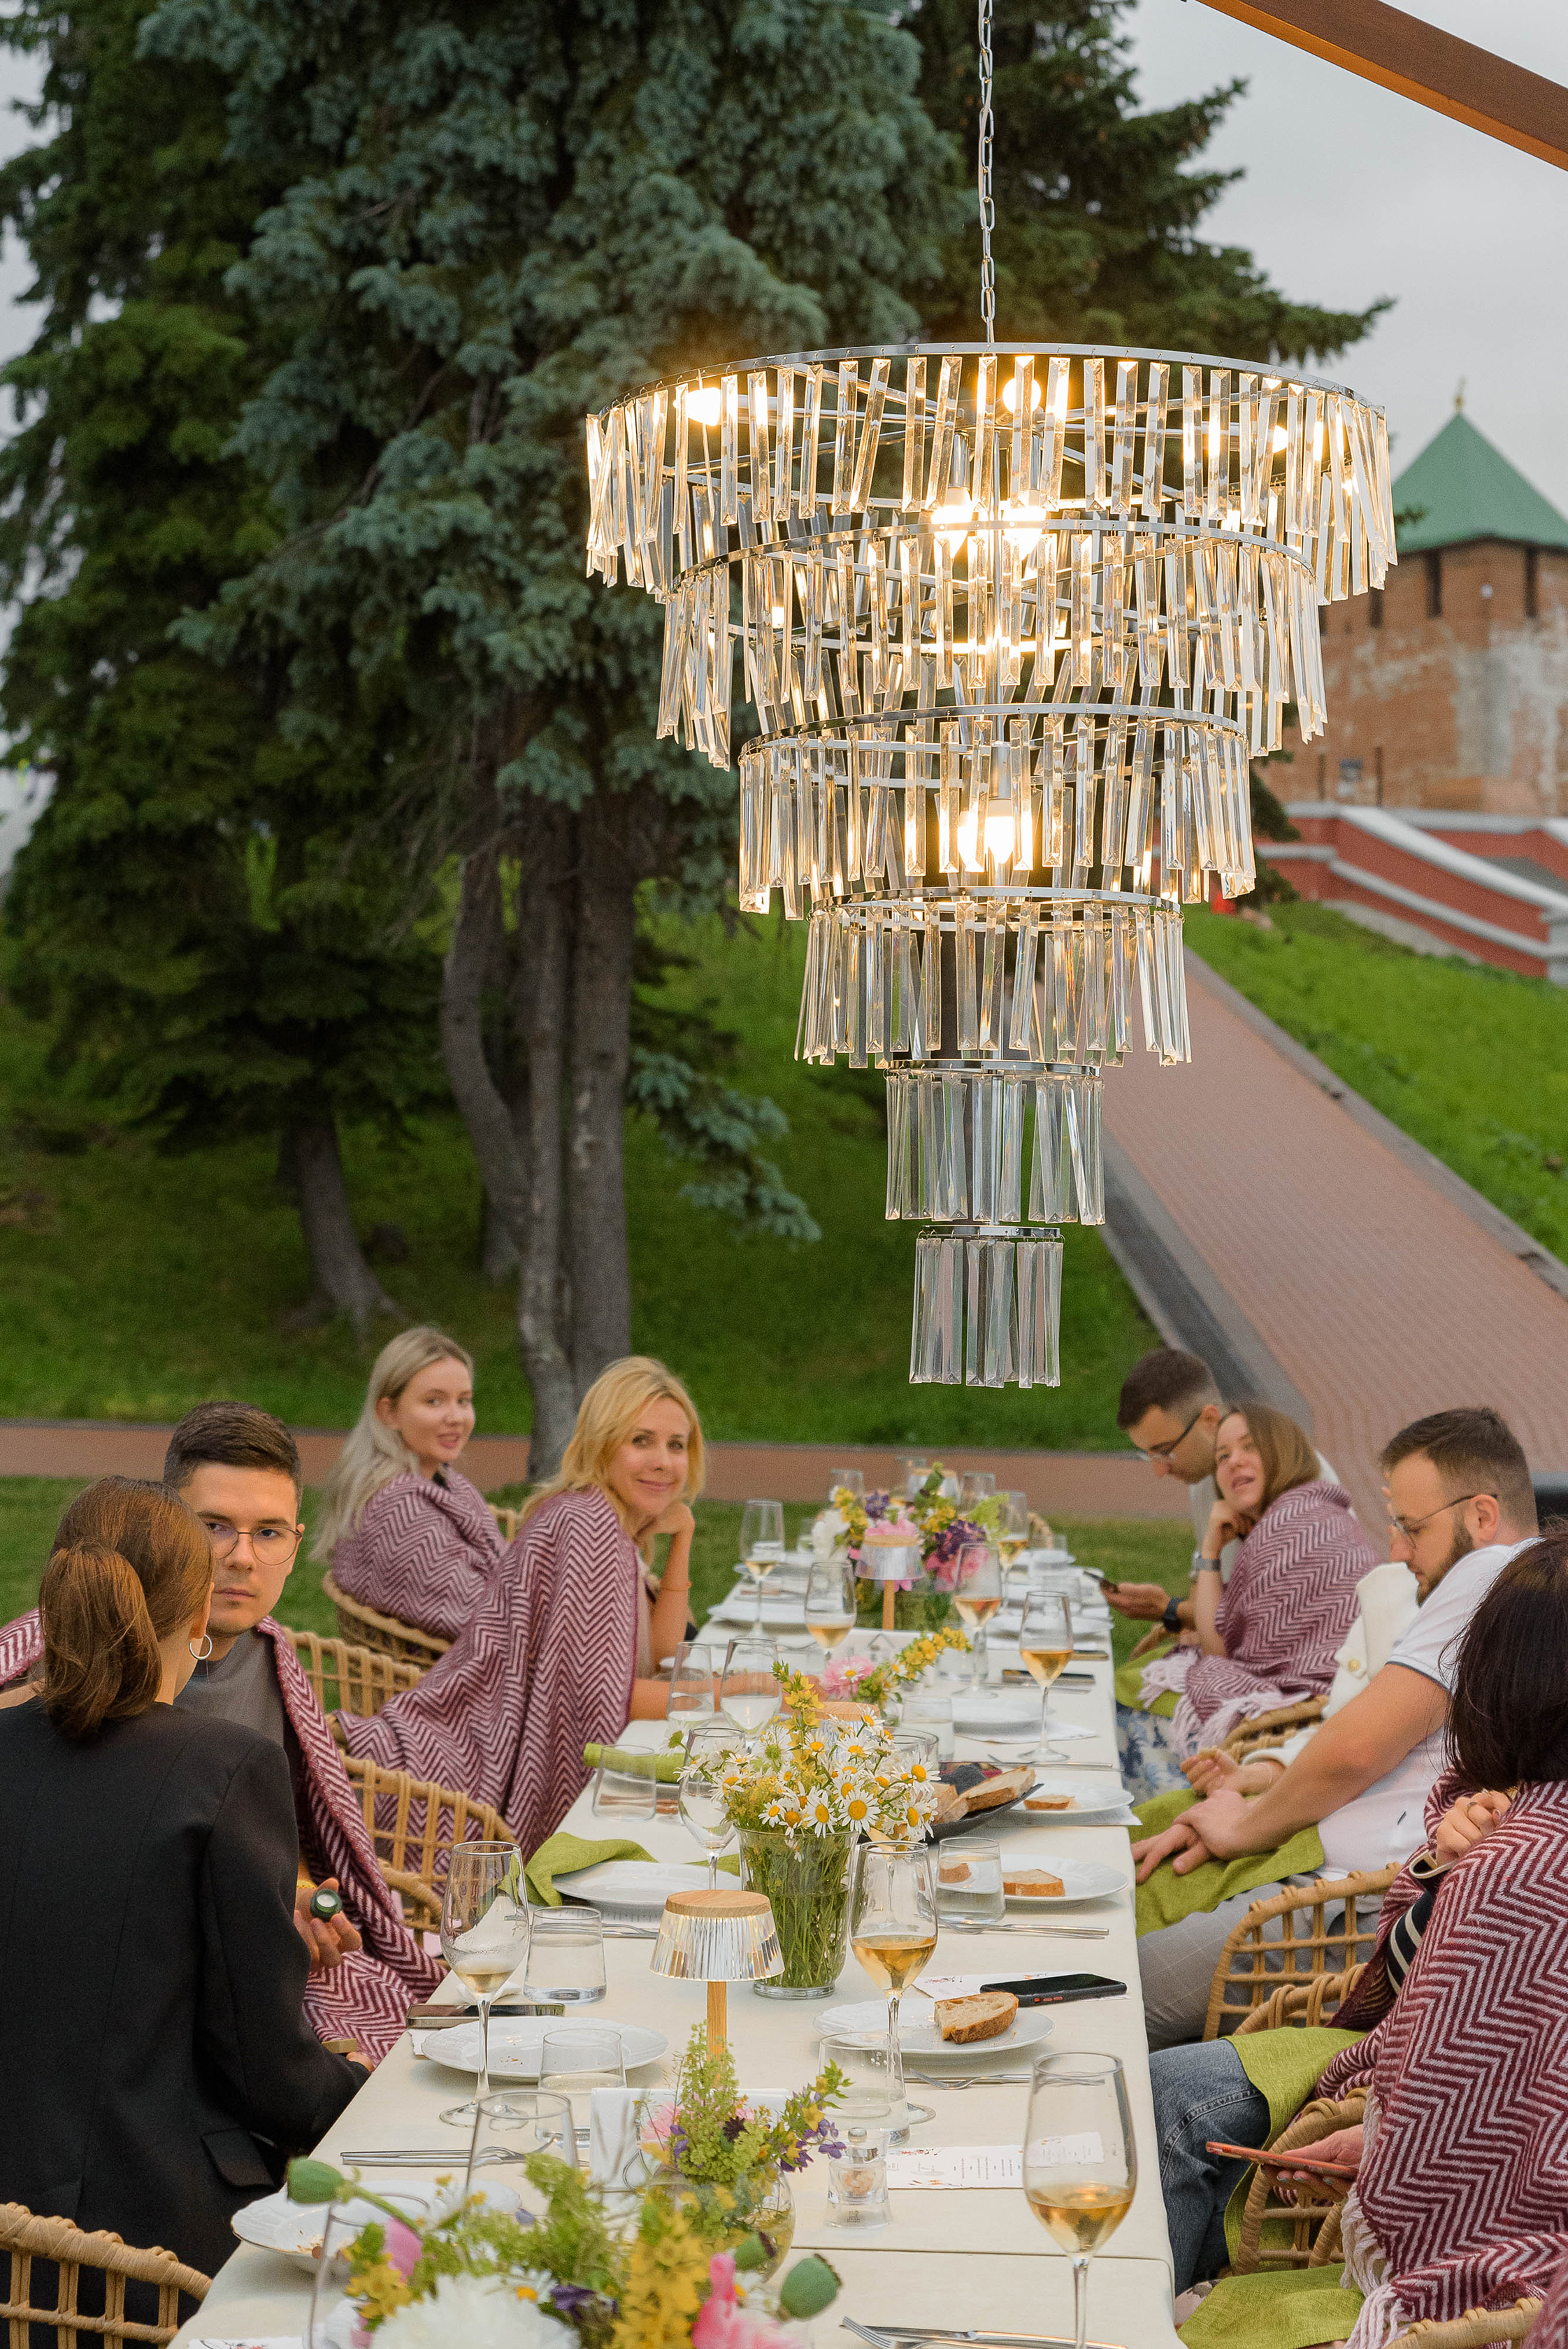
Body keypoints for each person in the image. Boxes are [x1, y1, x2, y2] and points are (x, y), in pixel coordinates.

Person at [1179, 1535, 1568, 2346]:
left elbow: (1480, 2068)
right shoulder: (1496, 1821)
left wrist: (1388, 2128)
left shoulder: (1520, 1859)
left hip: (1413, 2129)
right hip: (1390, 2061)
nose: (1394, 1546)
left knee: (1169, 2100)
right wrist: (1436, 1869)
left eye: (1410, 1524)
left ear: (1503, 1682)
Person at [0, 1477, 359, 2283]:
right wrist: (370, 2091)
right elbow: (268, 2072)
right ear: (199, 1618)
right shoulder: (226, 1768)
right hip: (146, 2257)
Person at [0, 1404, 441, 2059]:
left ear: (295, 1542)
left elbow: (274, 1841)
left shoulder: (275, 1665)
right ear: (164, 1526)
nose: (242, 1558)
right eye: (214, 1527)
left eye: (269, 1533)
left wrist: (293, 1895)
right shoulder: (58, 1661)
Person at [1131, 1405, 1538, 2049]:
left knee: (1114, 1986)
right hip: (1347, 1881)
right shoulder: (1528, 1588)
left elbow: (1356, 1748)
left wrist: (1242, 1829)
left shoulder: (1491, 1573)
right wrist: (1261, 1785)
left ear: (1482, 1516)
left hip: (1352, 1905)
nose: (1397, 1551)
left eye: (1411, 1528)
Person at [339, 1354, 700, 1851]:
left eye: (676, 1445)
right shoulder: (589, 1527)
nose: (663, 1460)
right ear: (601, 1445)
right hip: (480, 1753)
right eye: (641, 1441)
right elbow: (596, 1698)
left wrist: (682, 1540)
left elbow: (660, 1659)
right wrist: (740, 1696)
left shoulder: (609, 1522)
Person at [1137, 1404, 1376, 1771]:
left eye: (1250, 1447)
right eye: (1223, 1456)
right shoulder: (1304, 1514)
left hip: (1324, 1710)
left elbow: (1218, 1650)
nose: (1234, 1461)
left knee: (1144, 1696)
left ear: (1283, 1453)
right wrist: (1210, 1551)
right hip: (1349, 1693)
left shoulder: (1291, 1523)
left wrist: (1210, 1552)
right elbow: (1221, 1637)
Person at [316, 1326, 504, 1640]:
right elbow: (494, 1622)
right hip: (447, 1668)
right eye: (434, 1401)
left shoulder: (446, 1483)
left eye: (464, 1400)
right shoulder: (399, 1512)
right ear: (388, 1413)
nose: (456, 1417)